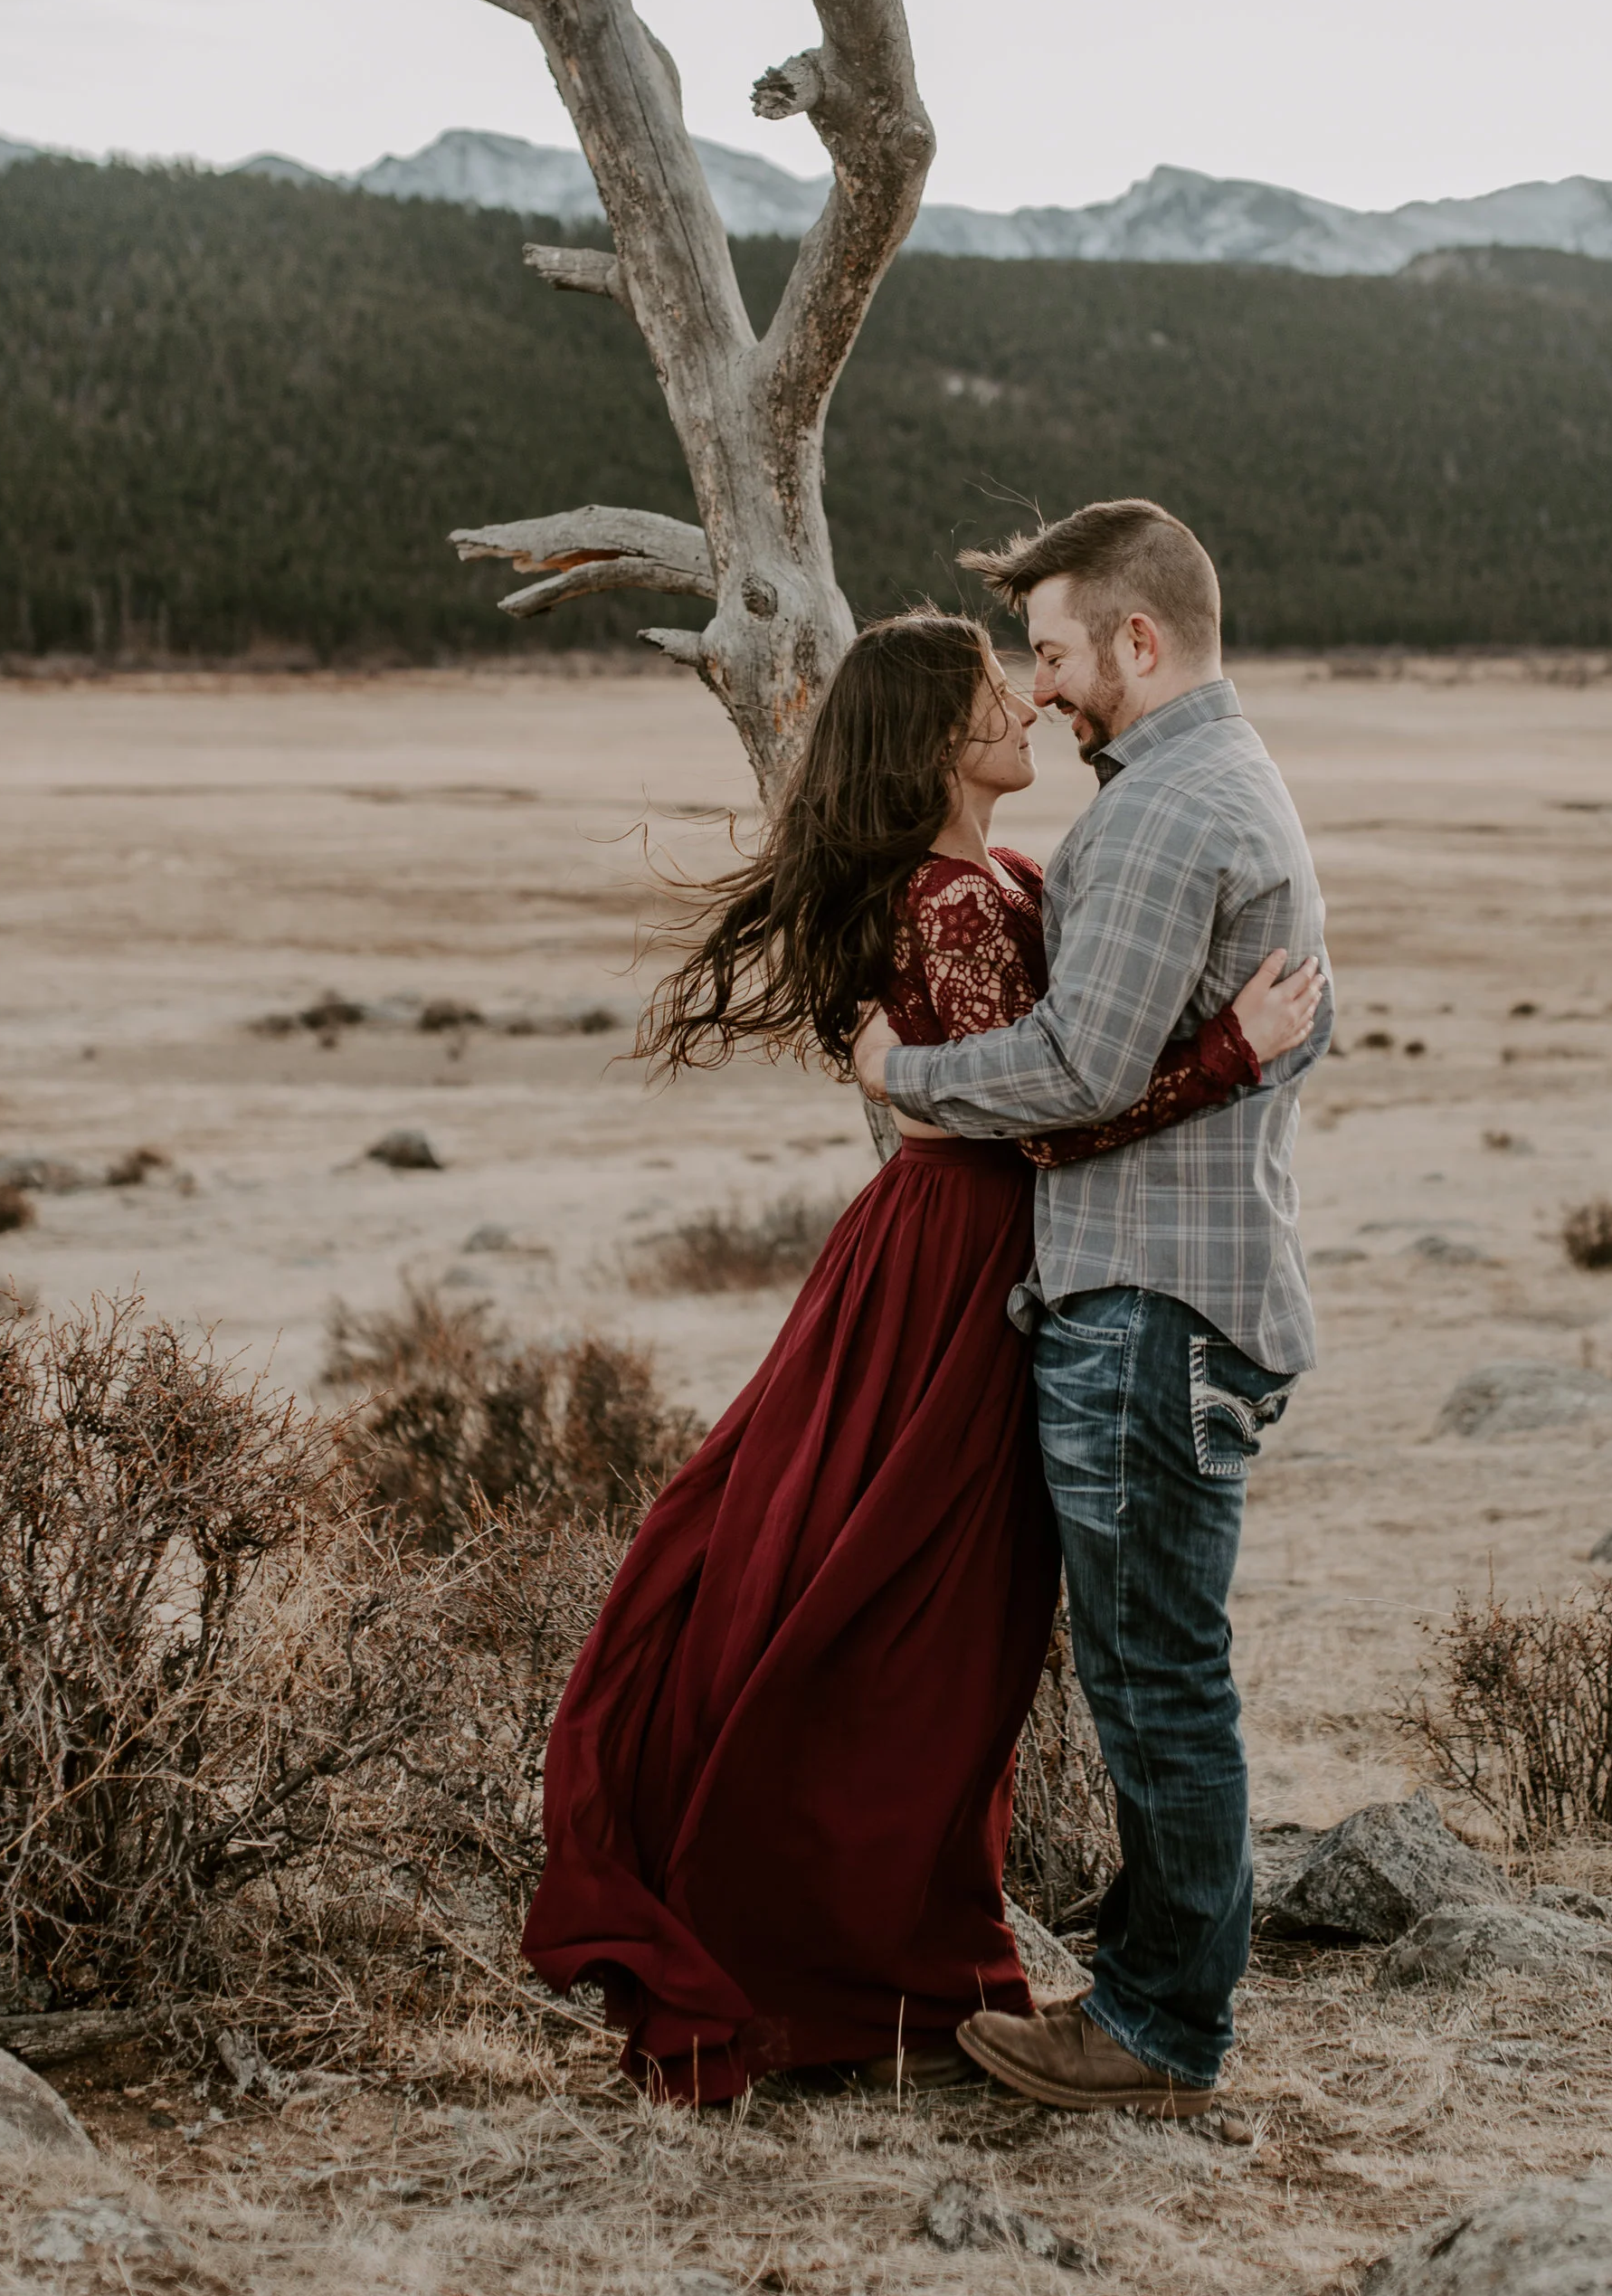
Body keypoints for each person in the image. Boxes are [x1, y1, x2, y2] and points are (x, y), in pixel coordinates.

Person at [521, 607, 1322, 2104]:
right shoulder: (951, 901)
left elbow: (1044, 1066)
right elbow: (1054, 1115)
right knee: (901, 1609)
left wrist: (924, 1073)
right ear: (940, 737)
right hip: (957, 1265)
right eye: (993, 687)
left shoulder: (1001, 877)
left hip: (972, 1247)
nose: (1026, 703)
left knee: (923, 1618)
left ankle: (899, 1958)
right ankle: (841, 1959)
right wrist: (1229, 1055)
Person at [851, 501, 1332, 2119]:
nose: (1041, 687)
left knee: (1155, 1680)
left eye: (1054, 651)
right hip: (1193, 1288)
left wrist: (905, 1080)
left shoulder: (1158, 817)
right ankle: (1154, 1995)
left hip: (1144, 1307)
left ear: (1139, 637)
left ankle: (1158, 2026)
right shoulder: (1232, 779)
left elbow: (1074, 1071)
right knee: (1161, 1667)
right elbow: (1295, 1023)